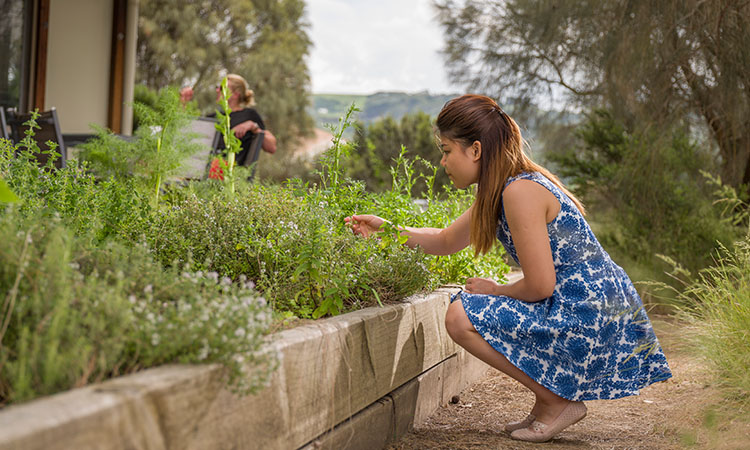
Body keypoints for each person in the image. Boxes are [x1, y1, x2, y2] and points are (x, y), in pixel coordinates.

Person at [345, 94, 672, 443]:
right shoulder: (503, 188)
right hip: (586, 303)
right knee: (466, 311)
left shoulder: (520, 191)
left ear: (474, 150)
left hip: (587, 310)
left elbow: (541, 286)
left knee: (460, 316)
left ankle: (554, 401)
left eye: (445, 150)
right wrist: (387, 231)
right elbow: (443, 242)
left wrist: (496, 289)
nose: (442, 161)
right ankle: (548, 401)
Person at [180, 74, 277, 164]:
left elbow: (271, 147)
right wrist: (183, 102)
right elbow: (186, 131)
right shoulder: (215, 117)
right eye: (218, 87)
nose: (217, 90)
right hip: (206, 168)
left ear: (235, 94)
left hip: (230, 172)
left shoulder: (249, 115)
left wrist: (253, 126)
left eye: (222, 88)